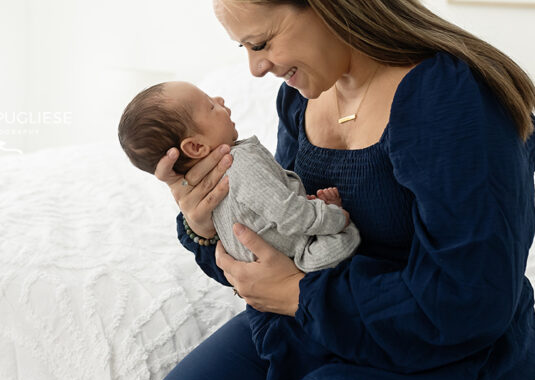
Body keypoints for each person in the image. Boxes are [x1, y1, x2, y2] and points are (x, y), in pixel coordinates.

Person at [93, 0, 535, 380]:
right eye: (244, 49)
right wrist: (208, 230)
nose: (255, 69)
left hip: (434, 354)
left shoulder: (450, 99)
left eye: (262, 42)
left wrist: (302, 296)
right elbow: (287, 241)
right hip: (303, 321)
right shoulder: (301, 98)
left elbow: (470, 300)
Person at [117, 80, 361, 273]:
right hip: (301, 256)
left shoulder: (214, 182)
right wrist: (335, 217)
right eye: (210, 105)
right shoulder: (240, 163)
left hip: (273, 270)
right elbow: (287, 213)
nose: (219, 99)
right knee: (345, 240)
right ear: (196, 147)